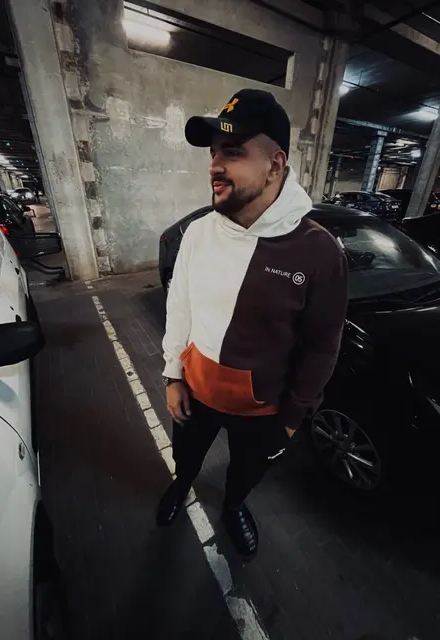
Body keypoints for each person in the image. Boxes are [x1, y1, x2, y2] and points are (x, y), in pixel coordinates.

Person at [158, 89, 348, 557]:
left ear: (275, 165)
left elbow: (322, 346)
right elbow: (179, 304)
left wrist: (292, 418)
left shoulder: (319, 251)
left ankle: (234, 505)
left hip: (263, 410)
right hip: (197, 390)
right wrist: (172, 375)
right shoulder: (198, 232)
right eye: (213, 153)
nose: (215, 165)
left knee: (246, 471)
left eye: (233, 152)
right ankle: (181, 486)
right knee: (186, 455)